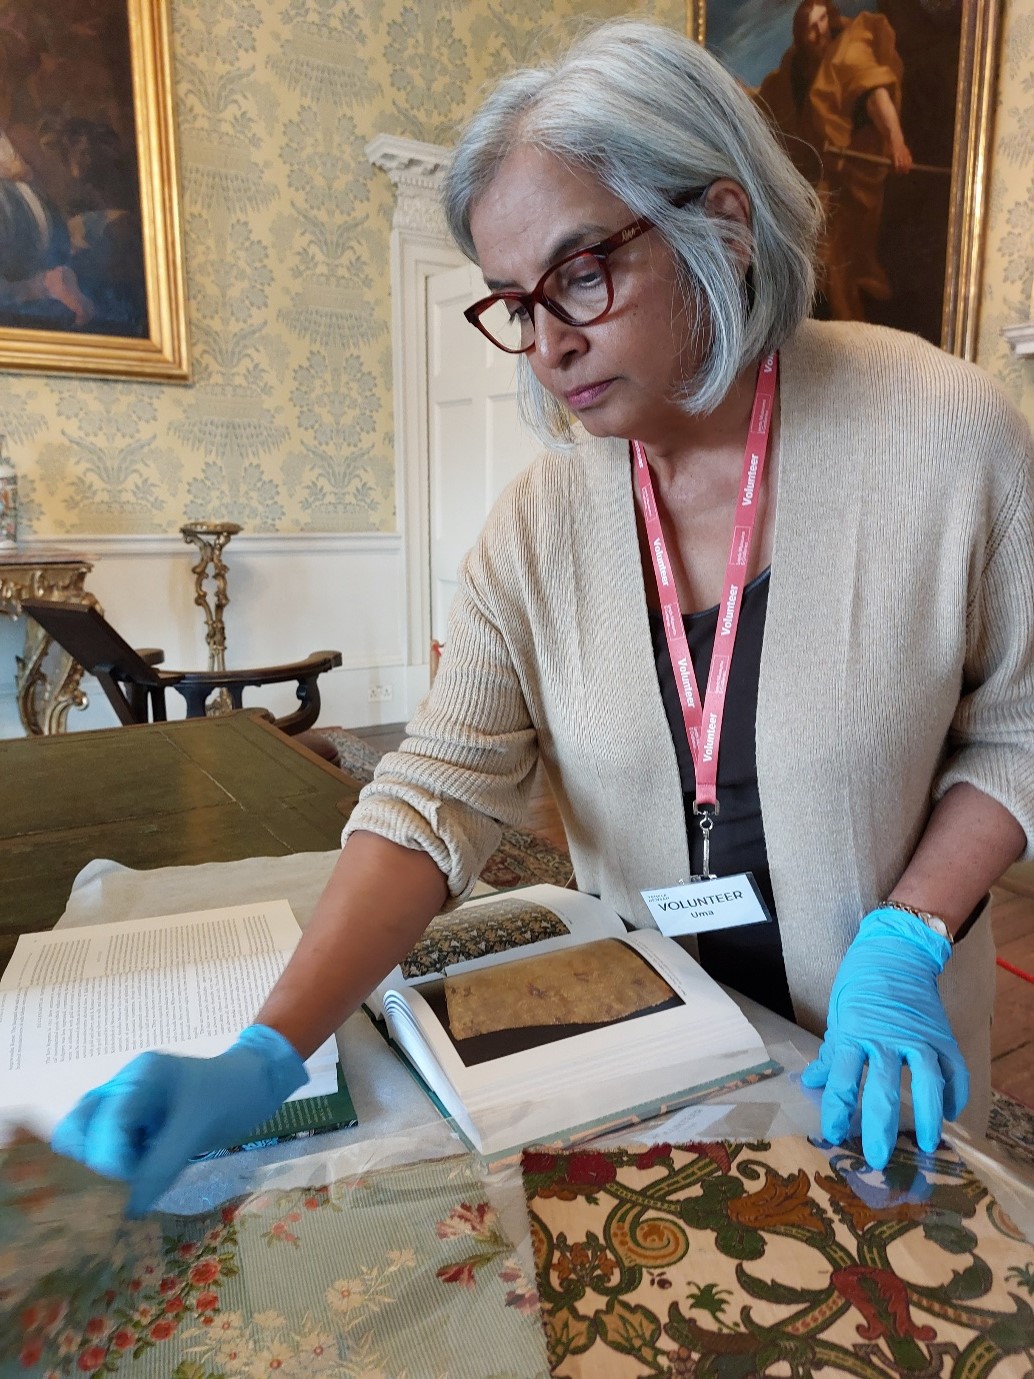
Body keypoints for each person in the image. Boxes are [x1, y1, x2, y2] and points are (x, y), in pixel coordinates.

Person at [52, 19, 1033, 1217]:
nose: (549, 345)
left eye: (580, 274)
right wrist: (266, 1049)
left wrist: (909, 932)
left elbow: (1017, 727)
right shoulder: (537, 524)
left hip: (888, 1070)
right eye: (517, 302)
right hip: (660, 1069)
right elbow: (434, 795)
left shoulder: (946, 437)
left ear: (722, 227)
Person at [755, 0, 913, 321]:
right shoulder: (796, 67)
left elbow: (875, 96)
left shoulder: (849, 51)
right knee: (829, 257)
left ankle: (853, 324)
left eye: (822, 21)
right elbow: (772, 104)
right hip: (827, 175)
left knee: (843, 256)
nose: (819, 33)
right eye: (810, 29)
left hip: (859, 166)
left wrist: (896, 141)